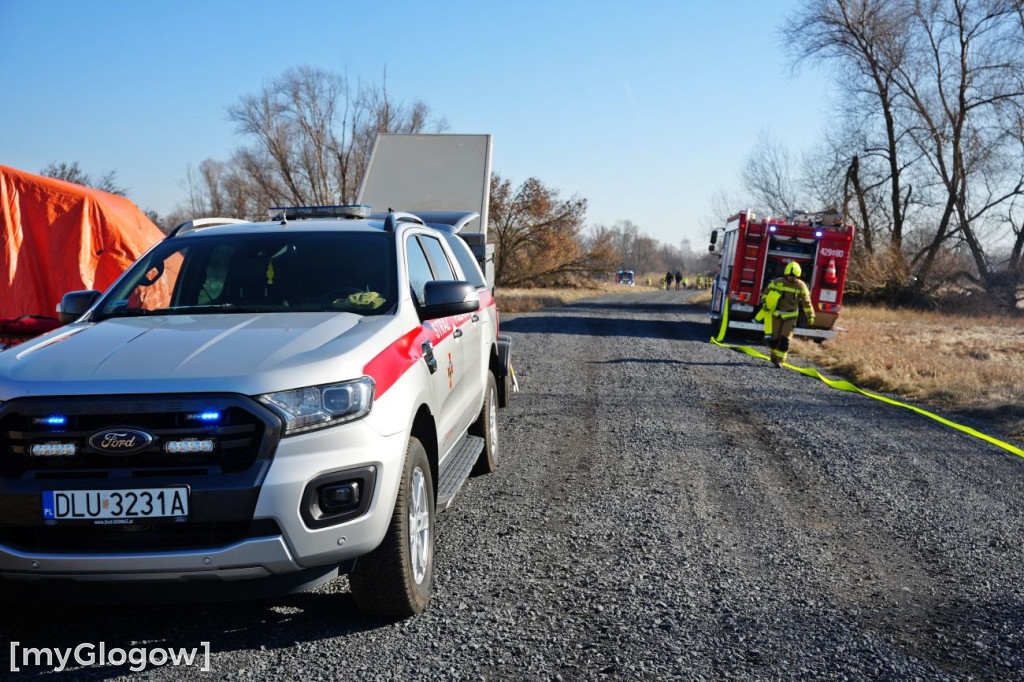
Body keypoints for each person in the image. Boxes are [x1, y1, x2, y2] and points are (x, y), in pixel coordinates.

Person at [759, 261, 815, 367]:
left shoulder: (801, 286)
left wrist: (810, 315)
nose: (791, 278)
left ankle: (780, 360)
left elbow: (807, 302)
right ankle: (774, 355)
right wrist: (764, 303)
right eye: (790, 276)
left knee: (785, 340)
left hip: (791, 316)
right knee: (773, 339)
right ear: (786, 274)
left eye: (794, 276)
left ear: (798, 276)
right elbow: (766, 293)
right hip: (776, 315)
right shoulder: (777, 282)